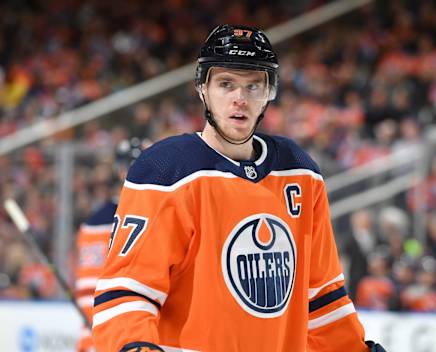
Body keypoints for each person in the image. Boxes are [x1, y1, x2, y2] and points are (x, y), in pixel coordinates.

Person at [92, 24, 386, 352]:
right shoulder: (166, 171)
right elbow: (127, 292)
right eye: (226, 84)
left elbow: (322, 298)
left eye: (253, 86)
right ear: (202, 88)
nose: (240, 100)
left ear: (269, 93)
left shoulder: (300, 172)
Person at [74, 137, 147, 352]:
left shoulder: (160, 209)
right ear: (122, 171)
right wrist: (98, 333)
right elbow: (89, 287)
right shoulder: (98, 223)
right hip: (109, 337)